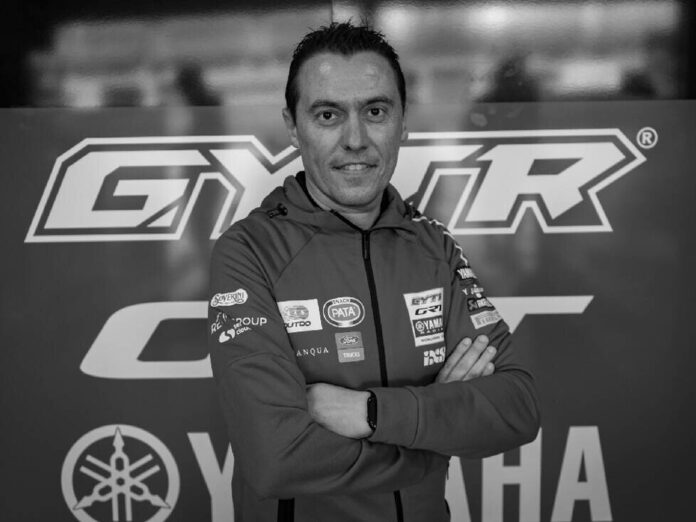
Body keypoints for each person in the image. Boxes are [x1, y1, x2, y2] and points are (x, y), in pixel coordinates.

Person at [208, 21, 540, 522]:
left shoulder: (433, 245)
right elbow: (277, 459)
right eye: (327, 115)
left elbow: (517, 408)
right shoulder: (250, 250)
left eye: (376, 111)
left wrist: (370, 412)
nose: (356, 140)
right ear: (293, 127)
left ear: (403, 121)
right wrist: (432, 436)